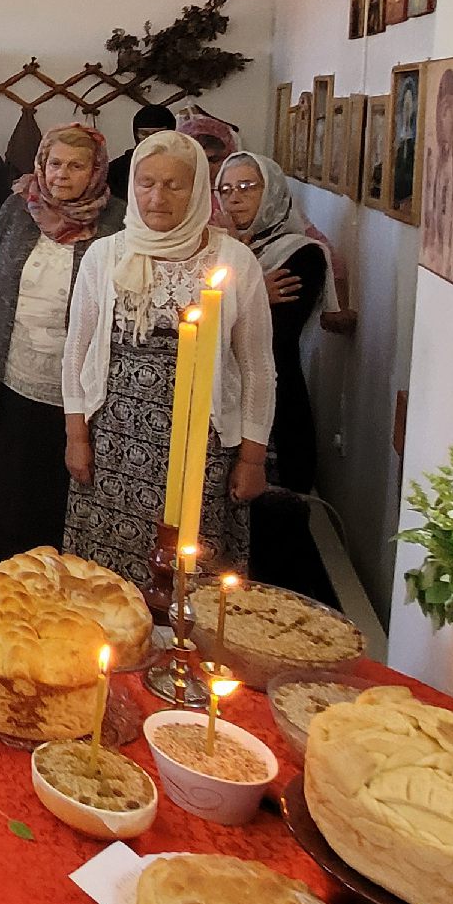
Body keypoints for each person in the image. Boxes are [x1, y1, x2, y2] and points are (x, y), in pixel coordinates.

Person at [61, 131, 273, 582]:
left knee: (188, 571)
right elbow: (77, 350)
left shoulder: (233, 260)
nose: (157, 197)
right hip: (115, 439)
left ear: (197, 190)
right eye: (147, 183)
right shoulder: (105, 255)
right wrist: (76, 436)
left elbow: (256, 367)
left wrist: (253, 458)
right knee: (107, 577)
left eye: (174, 185)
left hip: (201, 443)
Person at [0, 124, 122, 558]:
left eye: (76, 166)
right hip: (12, 370)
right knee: (10, 477)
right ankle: (6, 566)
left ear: (96, 170)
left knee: (62, 480)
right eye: (54, 164)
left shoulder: (116, 223)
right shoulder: (20, 208)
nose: (61, 175)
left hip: (76, 382)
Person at [217, 150, 338, 600]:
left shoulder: (302, 254)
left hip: (277, 403)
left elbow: (278, 333)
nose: (234, 198)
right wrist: (251, 293)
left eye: (247, 187)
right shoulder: (223, 250)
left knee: (274, 529)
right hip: (224, 401)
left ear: (273, 193)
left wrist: (233, 295)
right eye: (226, 189)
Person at [106, 103, 176, 200]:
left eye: (157, 134)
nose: (150, 139)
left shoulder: (182, 166)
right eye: (144, 134)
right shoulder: (117, 170)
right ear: (136, 134)